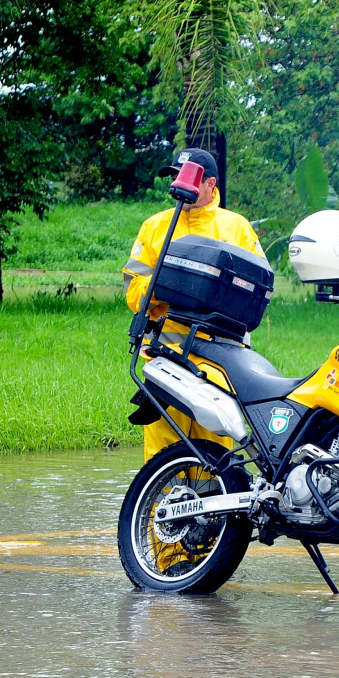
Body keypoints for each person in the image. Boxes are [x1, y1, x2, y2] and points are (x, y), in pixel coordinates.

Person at [123, 148, 266, 460]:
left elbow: (256, 296)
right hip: (165, 360)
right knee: (162, 456)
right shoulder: (155, 227)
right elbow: (134, 291)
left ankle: (214, 509)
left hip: (218, 367)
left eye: (186, 176)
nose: (178, 183)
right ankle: (155, 508)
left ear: (210, 184)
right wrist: (167, 286)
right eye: (175, 176)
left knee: (214, 457)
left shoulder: (237, 228)